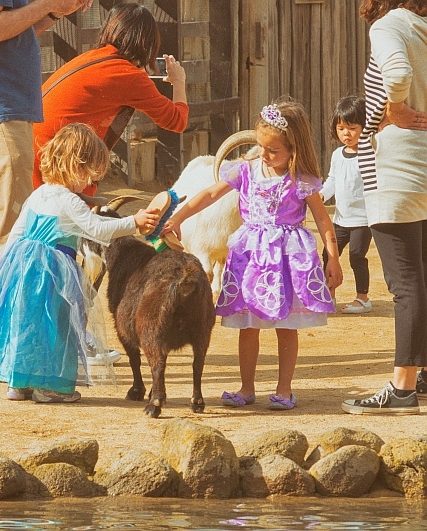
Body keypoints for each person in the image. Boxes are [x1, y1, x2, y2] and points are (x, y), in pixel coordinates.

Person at [160, 99, 343, 411]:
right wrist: (176, 217)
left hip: (287, 259)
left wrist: (334, 257)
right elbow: (209, 194)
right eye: (261, 147)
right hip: (251, 258)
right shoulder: (245, 171)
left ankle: (284, 389)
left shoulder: (301, 179)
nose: (265, 155)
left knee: (287, 325)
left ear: (293, 148)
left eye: (273, 150)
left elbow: (323, 219)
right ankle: (246, 388)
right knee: (248, 324)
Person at [0, 123, 160, 402]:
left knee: (26, 324)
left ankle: (18, 384)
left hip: (22, 266)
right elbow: (97, 229)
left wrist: (6, 267)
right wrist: (134, 223)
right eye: (88, 175)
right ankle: (50, 387)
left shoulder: (39, 193)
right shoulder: (69, 200)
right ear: (75, 167)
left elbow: (17, 231)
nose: (88, 184)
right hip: (54, 271)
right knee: (56, 325)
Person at [0, 0, 91, 377]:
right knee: (23, 235)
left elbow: (11, 31)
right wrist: (47, 4)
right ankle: (14, 351)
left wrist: (55, 12)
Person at [342, 0, 427, 414]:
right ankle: (424, 375)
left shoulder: (388, 26)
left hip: (395, 172)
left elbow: (396, 74)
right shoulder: (423, 27)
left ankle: (402, 388)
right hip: (425, 164)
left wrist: (391, 108)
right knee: (423, 274)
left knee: (404, 281)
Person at [32, 2, 189, 195]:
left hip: (37, 147)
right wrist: (179, 81)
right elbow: (177, 121)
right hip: (55, 160)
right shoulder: (129, 76)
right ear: (146, 42)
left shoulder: (93, 57)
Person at [320, 95, 374, 314]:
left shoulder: (370, 154)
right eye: (341, 128)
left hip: (364, 219)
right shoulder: (337, 155)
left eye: (352, 128)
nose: (346, 134)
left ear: (364, 127)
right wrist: (321, 195)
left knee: (356, 256)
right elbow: (332, 181)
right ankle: (329, 295)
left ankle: (363, 298)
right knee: (329, 254)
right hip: (340, 219)